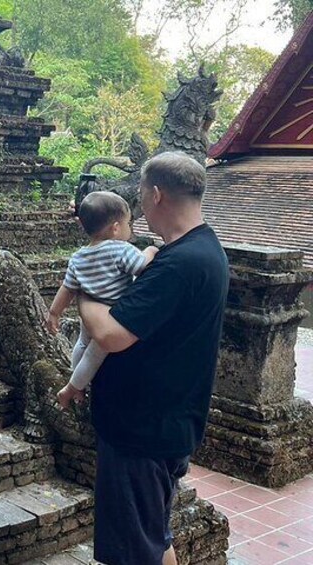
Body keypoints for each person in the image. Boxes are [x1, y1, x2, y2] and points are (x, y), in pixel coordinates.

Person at [77, 151, 229, 565]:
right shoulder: (204, 249)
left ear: (156, 194)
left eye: (141, 193)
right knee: (153, 538)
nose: (140, 204)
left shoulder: (178, 265)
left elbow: (109, 334)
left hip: (141, 432)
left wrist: (84, 291)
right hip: (166, 422)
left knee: (135, 551)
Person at [45, 191, 158, 409]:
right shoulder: (120, 249)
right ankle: (71, 389)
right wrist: (151, 251)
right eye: (129, 224)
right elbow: (141, 267)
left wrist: (54, 313)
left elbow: (68, 288)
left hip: (88, 315)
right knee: (94, 355)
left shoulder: (78, 256)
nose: (130, 229)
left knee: (81, 344)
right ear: (116, 227)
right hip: (109, 316)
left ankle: (75, 380)